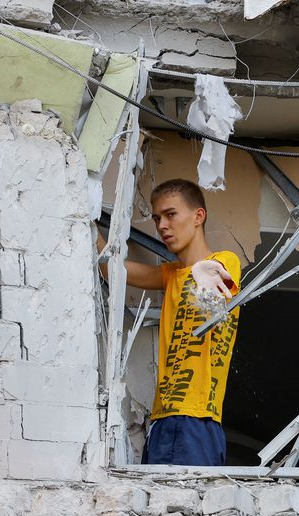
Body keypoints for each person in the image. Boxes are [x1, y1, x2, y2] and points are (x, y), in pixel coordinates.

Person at [98, 179, 241, 466]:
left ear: (198, 216)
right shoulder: (172, 275)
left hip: (194, 418)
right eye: (157, 218)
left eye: (171, 214)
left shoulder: (224, 261)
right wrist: (85, 215)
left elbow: (217, 276)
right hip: (166, 419)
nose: (162, 225)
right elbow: (111, 269)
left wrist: (201, 272)